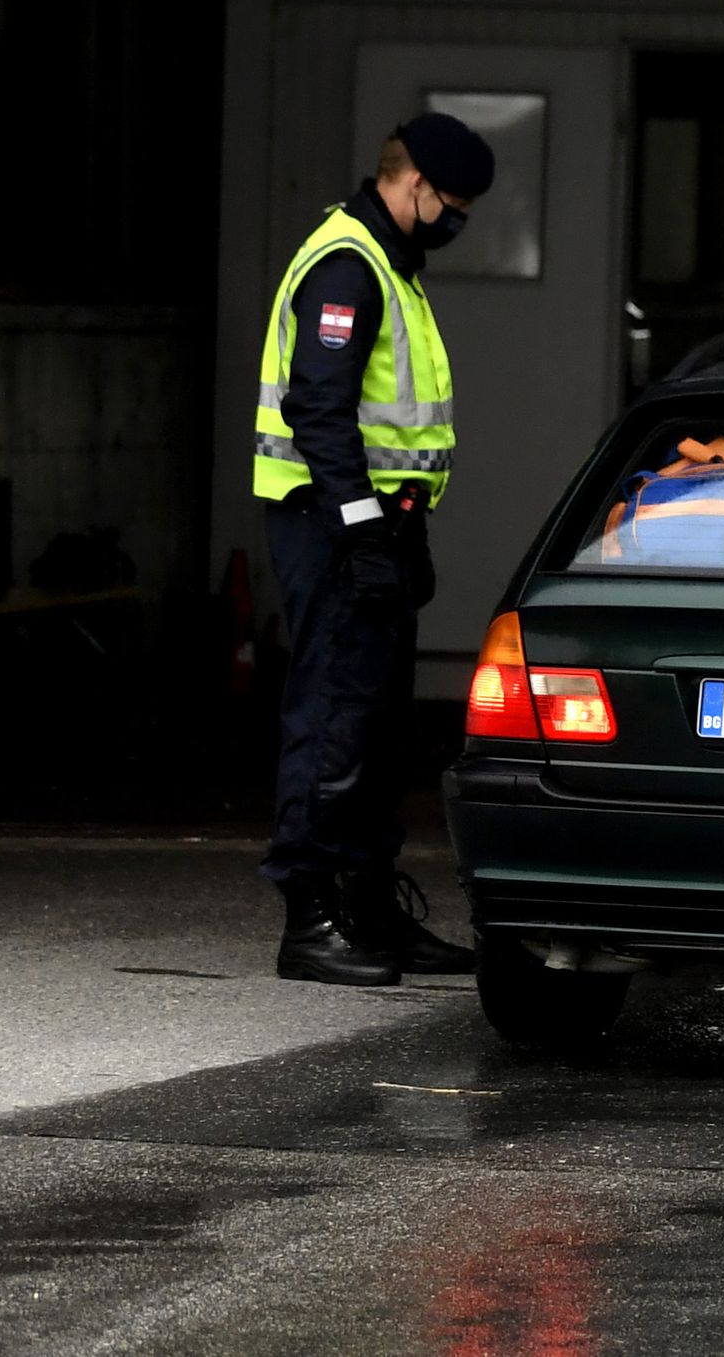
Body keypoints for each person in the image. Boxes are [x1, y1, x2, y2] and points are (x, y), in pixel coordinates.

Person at [250, 112, 494, 984]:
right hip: (330, 525)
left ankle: (368, 909)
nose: (457, 218)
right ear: (415, 184)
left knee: (378, 723)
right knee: (332, 718)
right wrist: (360, 528)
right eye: (453, 201)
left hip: (375, 523)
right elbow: (318, 409)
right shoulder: (348, 263)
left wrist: (397, 527)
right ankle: (311, 919)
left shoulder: (393, 265)